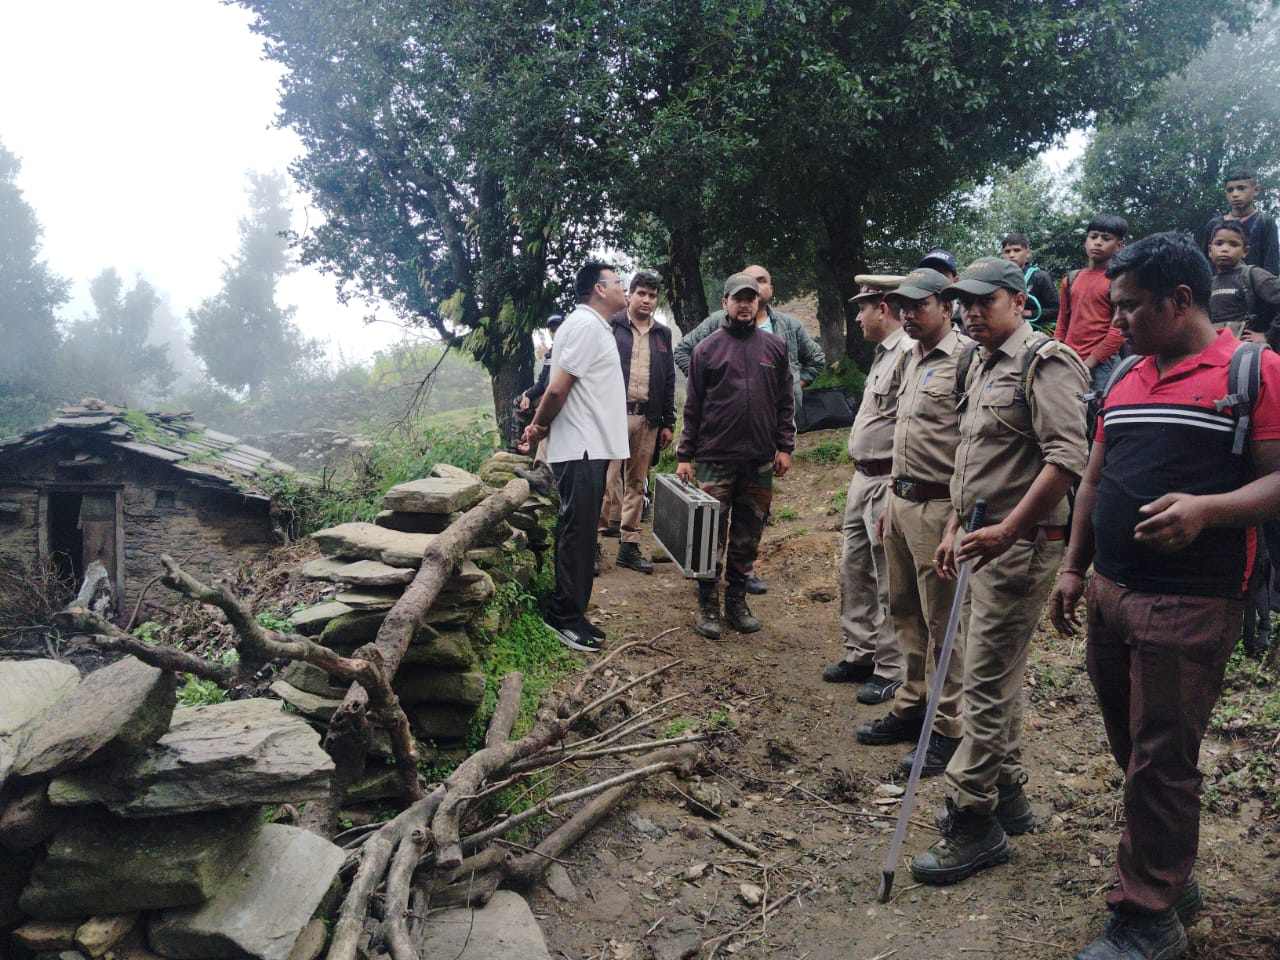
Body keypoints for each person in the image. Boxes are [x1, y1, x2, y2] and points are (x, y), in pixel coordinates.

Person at [1048, 232, 1280, 960]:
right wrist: (1073, 568)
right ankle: (1172, 874)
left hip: (1193, 600)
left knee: (1159, 756)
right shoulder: (1120, 376)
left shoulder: (1254, 370)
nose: (1116, 322)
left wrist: (1209, 511)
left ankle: (1148, 917)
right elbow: (1093, 479)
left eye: (1130, 307)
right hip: (1112, 593)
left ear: (1181, 300)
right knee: (1135, 746)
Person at [908, 257, 1089, 885]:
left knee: (982, 681)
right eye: (964, 303)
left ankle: (973, 818)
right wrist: (957, 529)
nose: (971, 312)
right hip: (981, 542)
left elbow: (1068, 458)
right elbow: (975, 456)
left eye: (985, 301)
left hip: (1022, 547)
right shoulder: (977, 363)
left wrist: (1007, 531)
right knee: (995, 672)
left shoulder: (1046, 362)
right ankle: (1007, 791)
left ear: (1018, 300)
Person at [856, 268, 975, 777]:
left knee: (944, 622)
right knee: (903, 610)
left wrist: (958, 516)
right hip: (900, 501)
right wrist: (890, 500)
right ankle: (912, 705)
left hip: (938, 508)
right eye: (902, 306)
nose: (907, 314)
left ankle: (948, 729)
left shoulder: (966, 360)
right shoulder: (912, 358)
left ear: (946, 308)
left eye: (918, 306)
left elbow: (973, 443)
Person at [675, 263, 822, 595]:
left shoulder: (774, 348)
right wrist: (685, 456)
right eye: (738, 298)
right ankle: (708, 603)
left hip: (759, 460)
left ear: (759, 303)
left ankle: (737, 599)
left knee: (748, 533)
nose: (745, 305)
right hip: (714, 457)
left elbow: (785, 402)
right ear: (725, 302)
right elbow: (693, 405)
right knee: (709, 533)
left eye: (751, 299)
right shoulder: (706, 349)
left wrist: (785, 447)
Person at [522, 261, 629, 653]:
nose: (625, 288)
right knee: (577, 531)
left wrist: (540, 426)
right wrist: (538, 425)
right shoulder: (584, 326)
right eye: (618, 282)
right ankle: (563, 616)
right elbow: (555, 390)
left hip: (591, 446)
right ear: (599, 290)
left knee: (584, 534)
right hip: (582, 447)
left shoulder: (591, 326)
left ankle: (575, 613)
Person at [823, 274, 908, 706]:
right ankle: (861, 653)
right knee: (854, 568)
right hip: (863, 478)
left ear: (885, 308)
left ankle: (891, 669)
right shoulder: (883, 354)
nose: (858, 316)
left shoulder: (909, 354)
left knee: (886, 575)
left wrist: (897, 487)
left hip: (887, 478)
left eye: (863, 308)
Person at [598, 270, 676, 574]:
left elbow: (669, 378)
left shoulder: (662, 334)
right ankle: (593, 543)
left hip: (649, 419)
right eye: (641, 293)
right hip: (613, 415)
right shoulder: (612, 326)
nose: (646, 300)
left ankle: (629, 546)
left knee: (637, 483)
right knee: (605, 482)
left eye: (652, 295)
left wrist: (668, 422)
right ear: (630, 294)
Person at [1055, 214, 1128, 394]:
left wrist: (1090, 362)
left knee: (1099, 414)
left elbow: (1118, 330)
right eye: (1093, 236)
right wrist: (1056, 353)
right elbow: (1062, 324)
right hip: (1069, 361)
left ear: (1118, 246)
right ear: (1086, 241)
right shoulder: (1071, 279)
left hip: (1104, 365)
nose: (1098, 242)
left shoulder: (1119, 281)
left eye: (1106, 238)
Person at [1207, 220, 1280, 341]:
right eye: (1219, 243)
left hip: (1244, 351)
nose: (1225, 249)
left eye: (1233, 244)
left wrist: (1268, 336)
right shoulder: (1209, 283)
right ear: (1210, 250)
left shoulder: (1252, 275)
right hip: (1216, 348)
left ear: (1245, 251)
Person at [1202, 166, 1279, 275]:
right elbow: (1204, 265)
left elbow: (1271, 265)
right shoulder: (1214, 224)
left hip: (1253, 288)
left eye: (1241, 188)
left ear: (1256, 190)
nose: (1235, 194)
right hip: (1218, 288)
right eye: (1230, 190)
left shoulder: (1265, 222)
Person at [1000, 232, 1060, 333]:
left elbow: (1056, 311)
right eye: (1007, 251)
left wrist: (1028, 313)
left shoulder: (1040, 277)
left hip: (1036, 335)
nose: (1011, 255)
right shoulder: (999, 279)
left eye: (1017, 250)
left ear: (1027, 253)